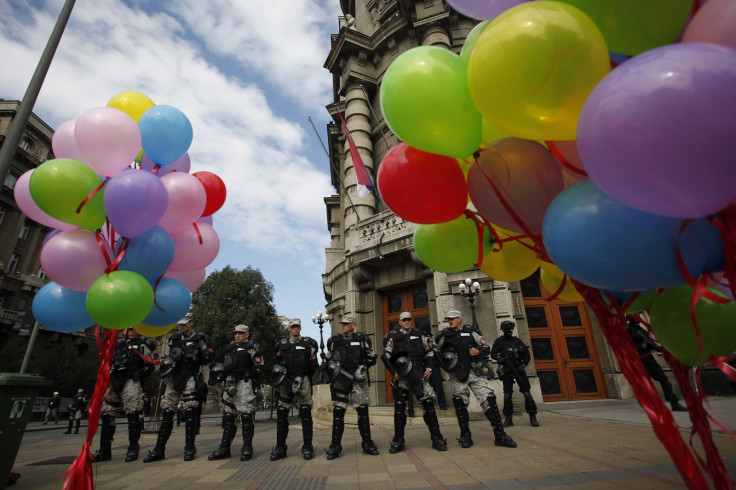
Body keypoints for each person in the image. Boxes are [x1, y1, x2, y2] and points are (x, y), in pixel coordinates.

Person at [436, 310, 517, 449]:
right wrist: (446, 365)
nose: (450, 321)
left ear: (459, 319)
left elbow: (486, 346)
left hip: (475, 371)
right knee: (460, 402)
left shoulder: (472, 331)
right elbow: (436, 352)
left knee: (489, 398)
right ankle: (465, 435)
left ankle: (500, 435)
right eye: (449, 319)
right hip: (457, 374)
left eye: (453, 319)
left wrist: (478, 352)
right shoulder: (444, 335)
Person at [144, 312, 214, 463]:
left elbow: (209, 356)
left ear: (191, 323)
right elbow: (168, 356)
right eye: (180, 324)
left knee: (190, 410)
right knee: (167, 410)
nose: (181, 326)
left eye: (184, 324)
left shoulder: (199, 339)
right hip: (174, 377)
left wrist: (197, 358)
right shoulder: (174, 339)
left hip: (190, 376)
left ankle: (189, 447)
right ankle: (159, 449)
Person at [382, 311, 447, 453]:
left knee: (428, 404)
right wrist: (394, 373)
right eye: (404, 320)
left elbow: (430, 352)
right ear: (399, 322)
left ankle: (437, 439)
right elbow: (385, 356)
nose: (406, 322)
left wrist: (429, 367)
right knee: (400, 408)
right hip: (403, 379)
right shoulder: (393, 337)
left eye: (408, 320)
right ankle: (398, 441)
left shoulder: (419, 335)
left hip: (419, 375)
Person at [93, 328, 156, 462]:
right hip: (114, 379)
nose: (131, 332)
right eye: (128, 329)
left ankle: (133, 447)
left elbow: (150, 364)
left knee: (133, 413)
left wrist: (140, 377)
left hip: (131, 380)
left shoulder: (142, 344)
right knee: (107, 414)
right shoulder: (116, 344)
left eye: (133, 329)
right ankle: (104, 450)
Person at [324, 314, 379, 460]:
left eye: (346, 324)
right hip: (341, 380)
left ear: (353, 325)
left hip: (357, 381)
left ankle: (367, 444)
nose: (343, 325)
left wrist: (364, 367)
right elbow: (329, 359)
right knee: (338, 412)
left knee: (362, 410)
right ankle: (335, 447)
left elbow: (372, 356)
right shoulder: (335, 341)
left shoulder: (362, 340)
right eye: (342, 323)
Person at [208, 324, 264, 461]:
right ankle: (224, 448)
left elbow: (259, 368)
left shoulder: (253, 348)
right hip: (230, 383)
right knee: (228, 416)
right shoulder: (230, 347)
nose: (237, 335)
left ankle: (247, 448)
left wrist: (250, 383)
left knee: (246, 416)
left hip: (244, 383)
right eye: (236, 333)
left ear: (247, 334)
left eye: (240, 333)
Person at [269, 318, 319, 461]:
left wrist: (306, 378)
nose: (295, 329)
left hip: (302, 380)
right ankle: (280, 447)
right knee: (282, 413)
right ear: (289, 329)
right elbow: (277, 364)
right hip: (286, 381)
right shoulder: (281, 345)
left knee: (305, 412)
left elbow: (314, 364)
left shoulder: (308, 343)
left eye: (297, 327)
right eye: (293, 327)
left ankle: (307, 446)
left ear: (300, 328)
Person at [626, 316, 687, 412]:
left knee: (664, 379)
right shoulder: (628, 330)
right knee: (646, 383)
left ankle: (674, 402)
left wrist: (658, 348)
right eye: (636, 316)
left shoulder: (639, 329)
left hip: (649, 357)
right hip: (639, 360)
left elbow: (649, 341)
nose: (638, 318)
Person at [491, 320, 540, 427]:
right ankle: (508, 418)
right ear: (503, 330)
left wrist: (522, 365)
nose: (510, 331)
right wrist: (501, 358)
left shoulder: (517, 341)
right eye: (508, 329)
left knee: (527, 393)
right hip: (507, 371)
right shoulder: (499, 341)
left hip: (518, 370)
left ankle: (532, 416)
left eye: (511, 329)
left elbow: (526, 355)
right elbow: (493, 354)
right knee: (507, 395)